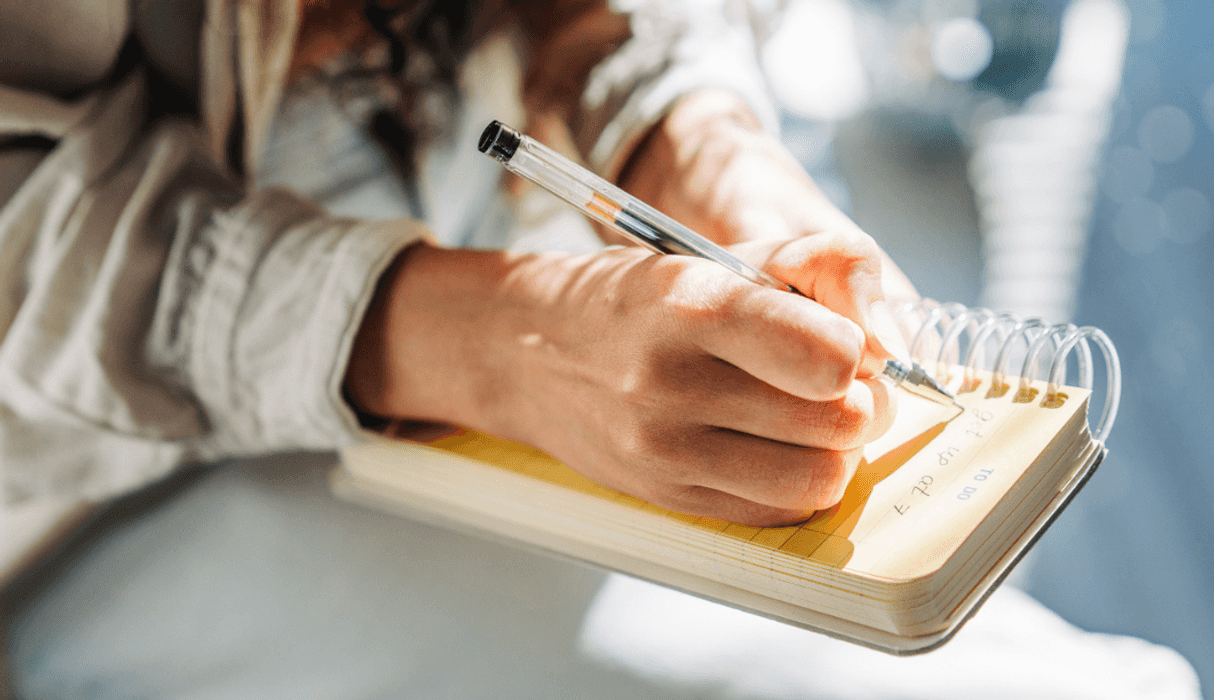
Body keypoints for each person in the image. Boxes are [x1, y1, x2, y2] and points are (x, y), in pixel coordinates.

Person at [1, 0, 918, 694]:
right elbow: (25, 253)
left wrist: (685, 136)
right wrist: (510, 345)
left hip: (529, 350)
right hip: (105, 489)